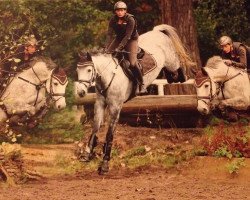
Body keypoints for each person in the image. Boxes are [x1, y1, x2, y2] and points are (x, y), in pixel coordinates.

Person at [104, 1, 145, 93]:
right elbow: (109, 35)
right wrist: (105, 47)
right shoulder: (113, 20)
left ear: (125, 11)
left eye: (122, 10)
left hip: (131, 40)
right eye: (118, 10)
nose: (120, 12)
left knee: (133, 63)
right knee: (107, 56)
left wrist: (119, 48)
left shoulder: (131, 19)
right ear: (115, 11)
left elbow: (128, 36)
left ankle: (142, 84)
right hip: (119, 38)